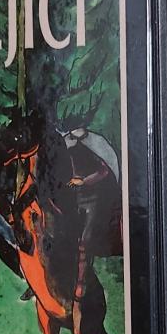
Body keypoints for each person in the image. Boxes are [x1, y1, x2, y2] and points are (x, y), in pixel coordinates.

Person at [63, 126, 121, 300]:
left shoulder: (95, 143)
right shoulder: (65, 142)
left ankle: (80, 284)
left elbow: (104, 171)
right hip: (74, 198)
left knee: (84, 241)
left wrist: (84, 181)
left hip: (94, 197)